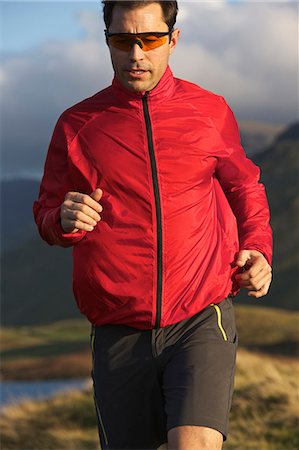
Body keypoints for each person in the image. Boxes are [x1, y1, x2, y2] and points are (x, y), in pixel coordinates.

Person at [33, 1, 273, 449]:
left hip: (200, 315)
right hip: (117, 328)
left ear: (173, 39)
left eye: (150, 39)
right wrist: (62, 219)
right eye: (122, 41)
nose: (136, 54)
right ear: (108, 43)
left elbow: (246, 187)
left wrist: (258, 248)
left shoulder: (209, 110)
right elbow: (46, 212)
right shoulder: (77, 125)